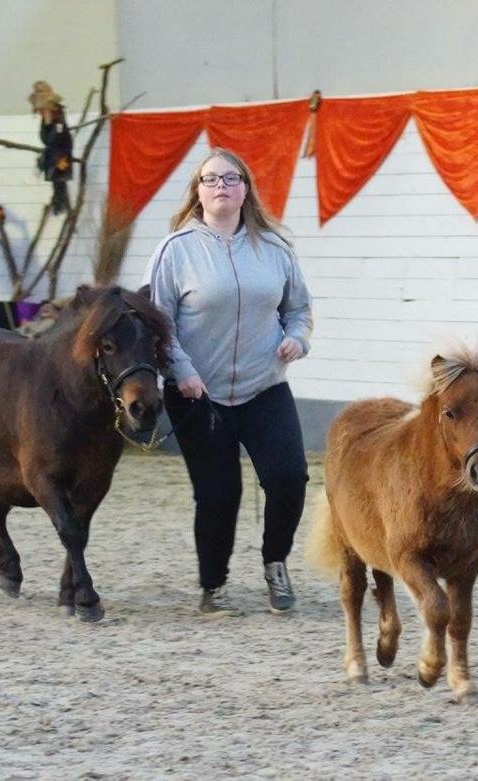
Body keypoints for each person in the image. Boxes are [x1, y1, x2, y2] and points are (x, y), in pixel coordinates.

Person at [144, 148, 313, 615]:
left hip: (264, 388)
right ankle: (213, 584)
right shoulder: (175, 251)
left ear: (245, 190)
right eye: (211, 179)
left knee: (289, 478)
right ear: (197, 192)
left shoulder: (275, 249)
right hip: (199, 395)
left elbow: (299, 309)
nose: (221, 186)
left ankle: (275, 563)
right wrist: (182, 372)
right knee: (218, 494)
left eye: (231, 178)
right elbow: (158, 323)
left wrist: (297, 339)